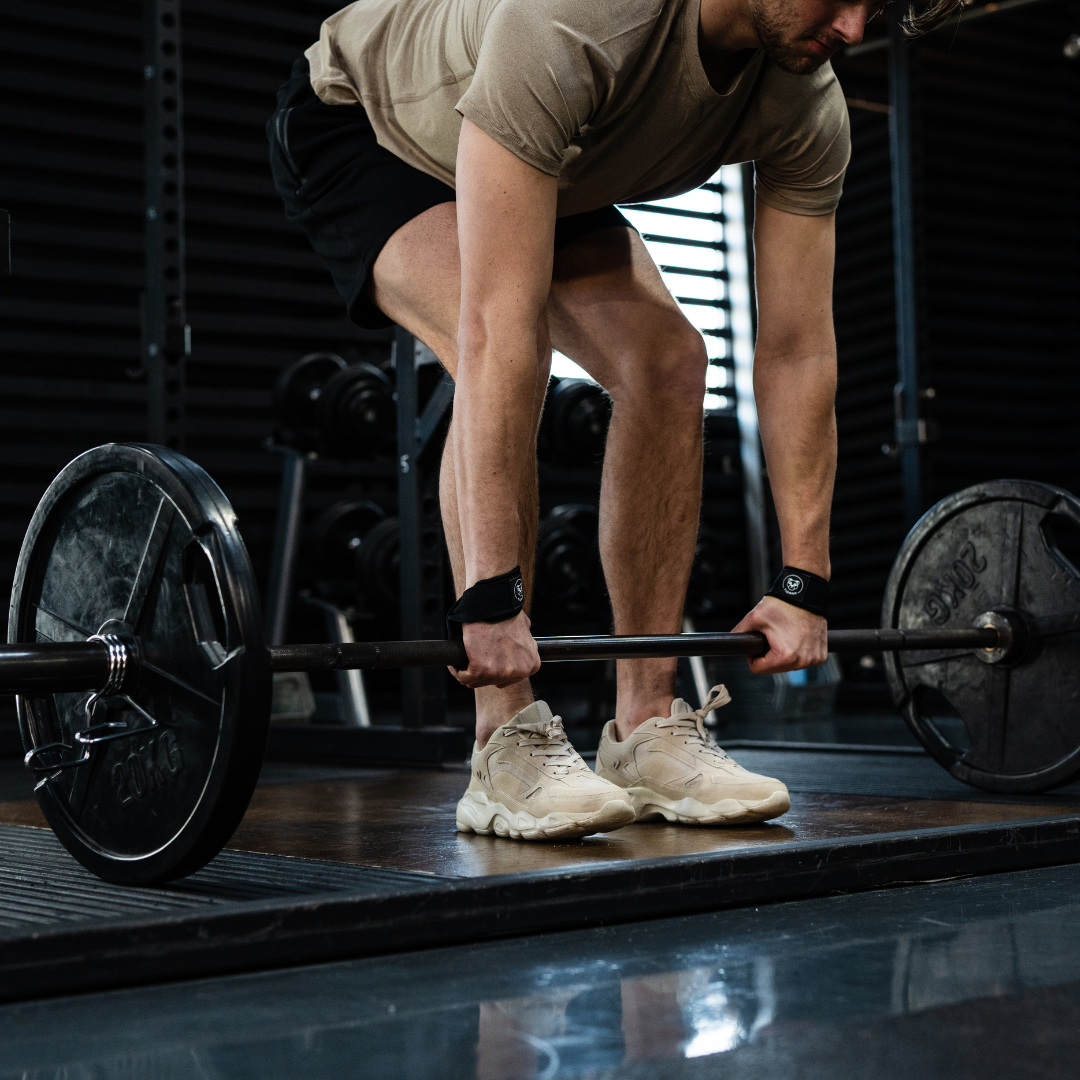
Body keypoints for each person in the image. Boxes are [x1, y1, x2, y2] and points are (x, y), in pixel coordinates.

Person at [269, 0, 958, 842]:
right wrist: (489, 601)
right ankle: (503, 739)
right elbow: (498, 332)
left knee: (669, 363)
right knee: (480, 336)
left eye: (875, 7)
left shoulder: (806, 101)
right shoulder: (580, 21)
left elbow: (796, 353)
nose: (853, 29)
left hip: (547, 148)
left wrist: (801, 583)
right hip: (368, 125)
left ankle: (645, 727)